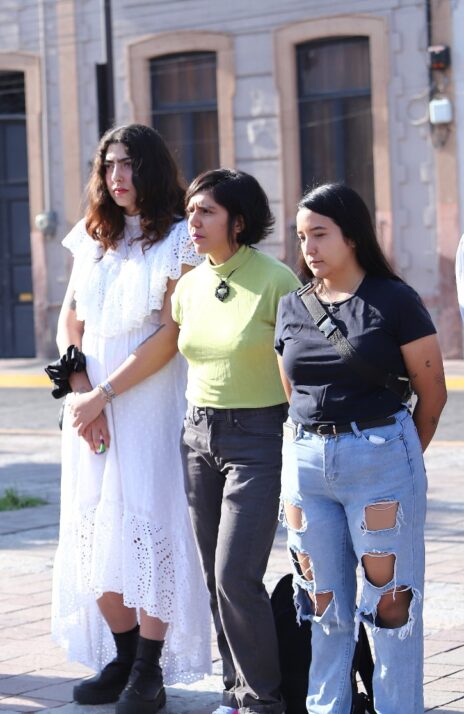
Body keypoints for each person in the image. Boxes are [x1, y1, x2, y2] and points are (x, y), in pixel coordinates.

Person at [52, 124, 211, 714]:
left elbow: (169, 335)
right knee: (95, 527)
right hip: (88, 404)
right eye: (108, 165)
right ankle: (121, 658)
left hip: (146, 403)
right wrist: (81, 394)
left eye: (129, 165)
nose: (117, 176)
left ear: (152, 169)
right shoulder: (93, 238)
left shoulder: (178, 242)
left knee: (149, 519)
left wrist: (106, 395)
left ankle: (150, 668)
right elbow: (70, 319)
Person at [275, 183, 446, 713]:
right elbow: (293, 391)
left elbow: (432, 393)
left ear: (352, 235)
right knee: (322, 606)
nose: (309, 248)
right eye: (303, 237)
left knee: (390, 605)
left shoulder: (394, 300)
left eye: (320, 234)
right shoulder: (292, 306)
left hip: (380, 460)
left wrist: (394, 457)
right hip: (306, 464)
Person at [172, 169, 301, 714]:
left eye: (207, 211)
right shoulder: (188, 284)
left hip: (258, 436)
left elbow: (302, 367)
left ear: (238, 221)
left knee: (234, 575)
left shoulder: (277, 281)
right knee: (211, 576)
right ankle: (234, 691)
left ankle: (262, 701)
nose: (194, 222)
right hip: (198, 436)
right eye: (191, 210)